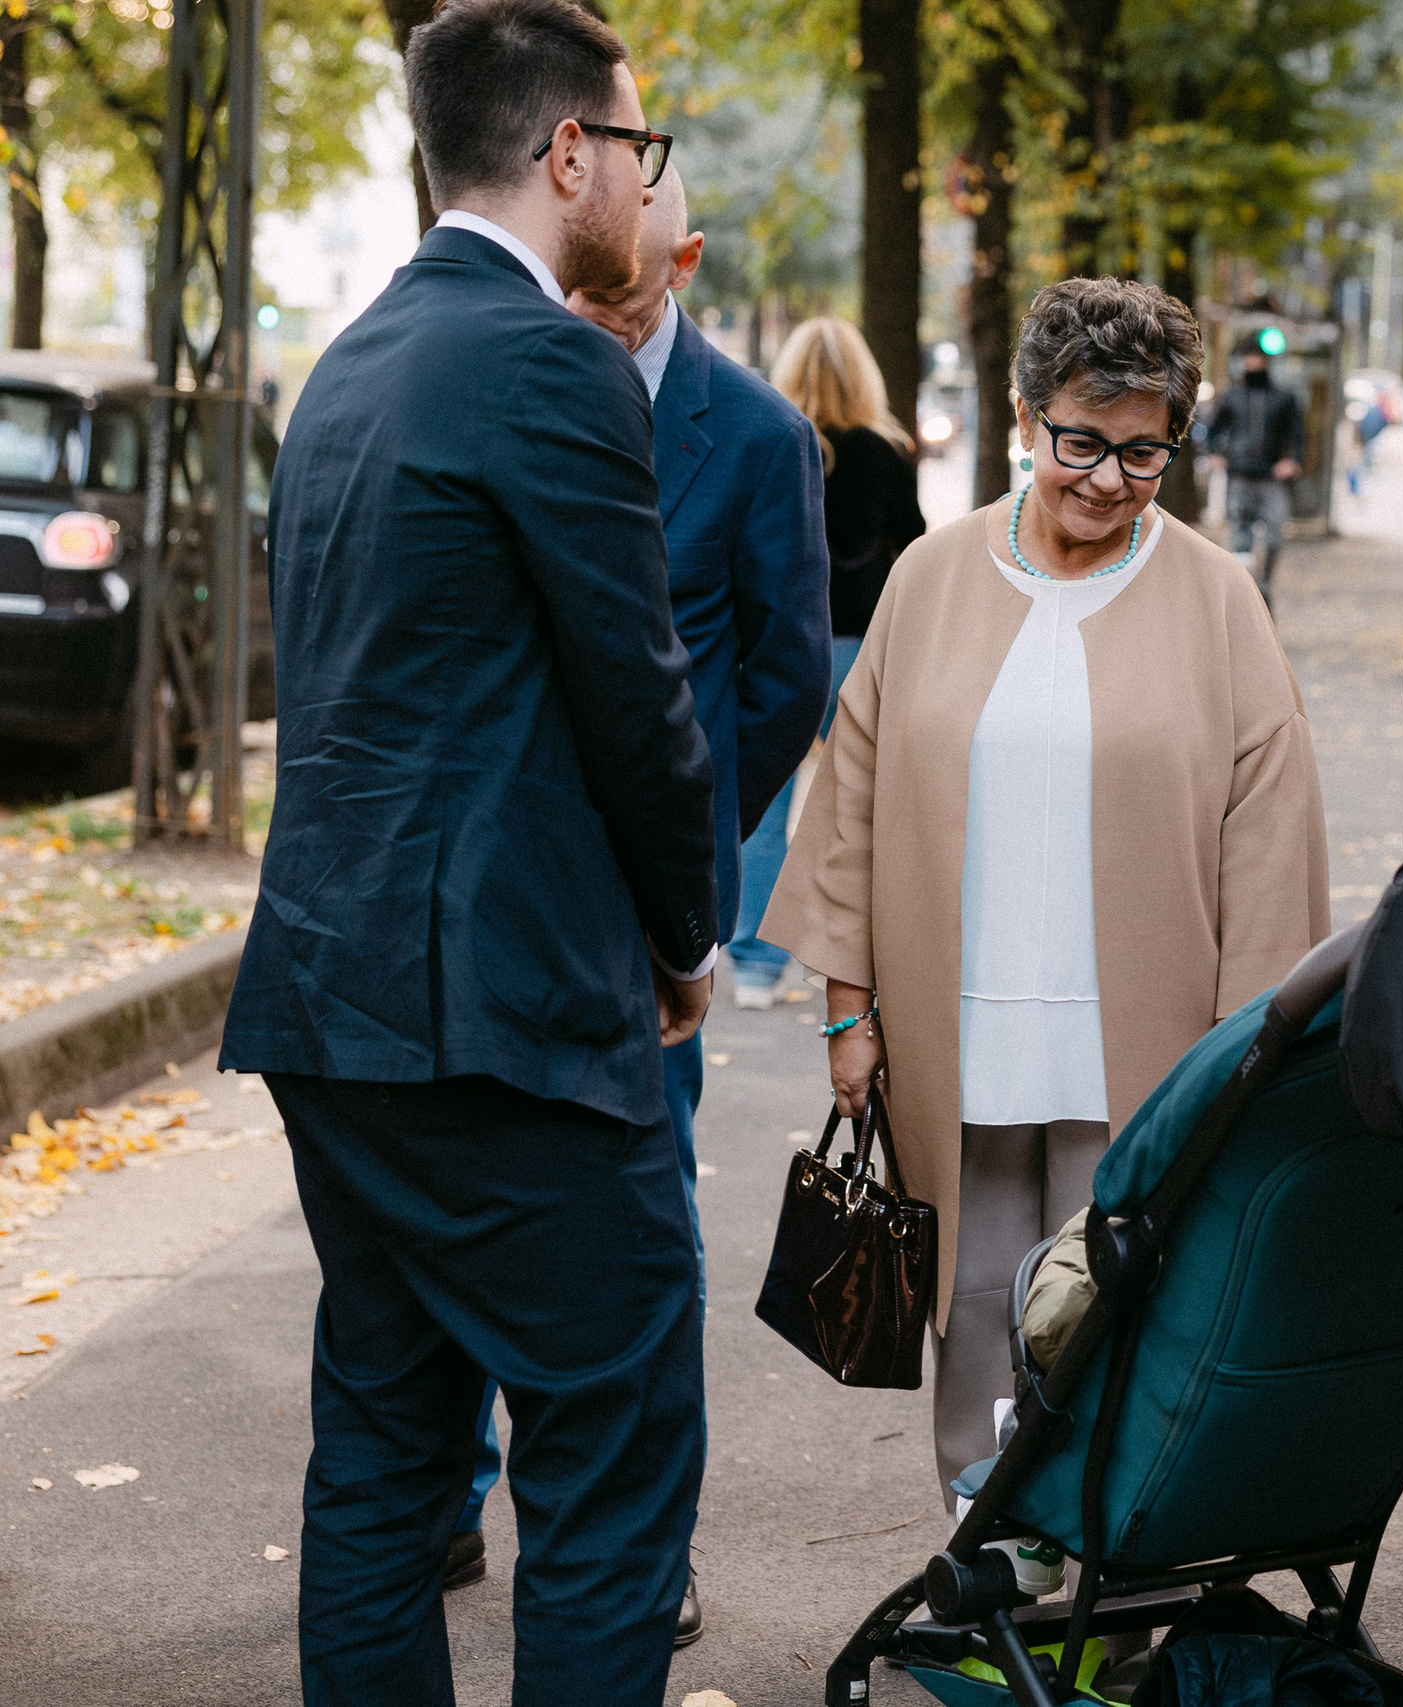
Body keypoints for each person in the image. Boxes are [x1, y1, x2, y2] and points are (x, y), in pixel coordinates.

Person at [218, 1, 716, 1698]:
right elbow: (638, 698)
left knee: (381, 1444)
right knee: (615, 1445)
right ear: (568, 151)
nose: (646, 183)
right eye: (640, 148)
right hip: (501, 1014)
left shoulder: (349, 361)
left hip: (332, 999)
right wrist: (686, 940)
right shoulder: (549, 361)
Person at [759, 278, 1330, 1511]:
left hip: (1142, 1035)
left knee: (1118, 1308)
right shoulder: (931, 576)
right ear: (1024, 420)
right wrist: (847, 1012)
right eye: (1082, 440)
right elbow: (853, 796)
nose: (1111, 478)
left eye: (1145, 449)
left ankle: (1090, 1569)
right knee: (972, 1302)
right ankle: (981, 1556)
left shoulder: (1219, 599)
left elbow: (1269, 841)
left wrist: (1247, 1059)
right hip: (950, 1020)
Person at [436, 165, 833, 1647]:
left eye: (622, 261)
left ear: (685, 250)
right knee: (463, 1188)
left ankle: (628, 1547)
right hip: (491, 887)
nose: (594, 278)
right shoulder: (507, 377)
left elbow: (787, 677)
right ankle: (447, 1490)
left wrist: (692, 861)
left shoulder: (757, 434)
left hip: (637, 914)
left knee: (635, 1224)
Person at [725, 316, 927, 1008]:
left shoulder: (769, 438)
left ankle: (752, 964)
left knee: (765, 797)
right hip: (860, 645)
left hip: (773, 641)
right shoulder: (885, 449)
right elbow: (917, 543)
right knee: (862, 806)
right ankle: (858, 966)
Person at [1199, 344, 1304, 599]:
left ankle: (1264, 584)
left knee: (1275, 533)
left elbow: (1298, 434)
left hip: (1269, 476)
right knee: (1240, 535)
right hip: (1239, 475)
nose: (1252, 362)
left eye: (1257, 357)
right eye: (1248, 357)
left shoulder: (1283, 397)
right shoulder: (1232, 395)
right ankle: (1243, 588)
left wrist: (1293, 461)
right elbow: (1211, 430)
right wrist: (1214, 455)